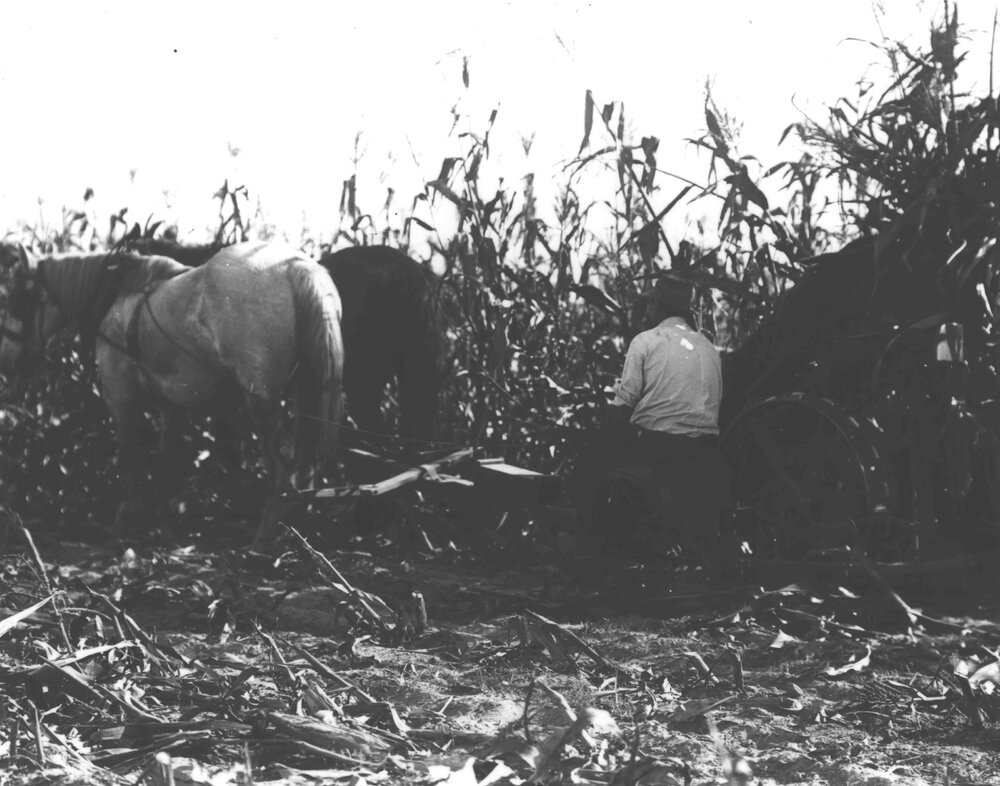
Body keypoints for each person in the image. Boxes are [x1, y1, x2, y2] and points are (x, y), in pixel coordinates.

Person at [572, 274, 729, 558]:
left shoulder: (647, 341)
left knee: (591, 460)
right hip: (704, 450)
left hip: (662, 449)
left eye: (651, 306)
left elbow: (624, 406)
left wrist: (607, 430)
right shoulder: (709, 348)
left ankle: (588, 543)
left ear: (657, 308)